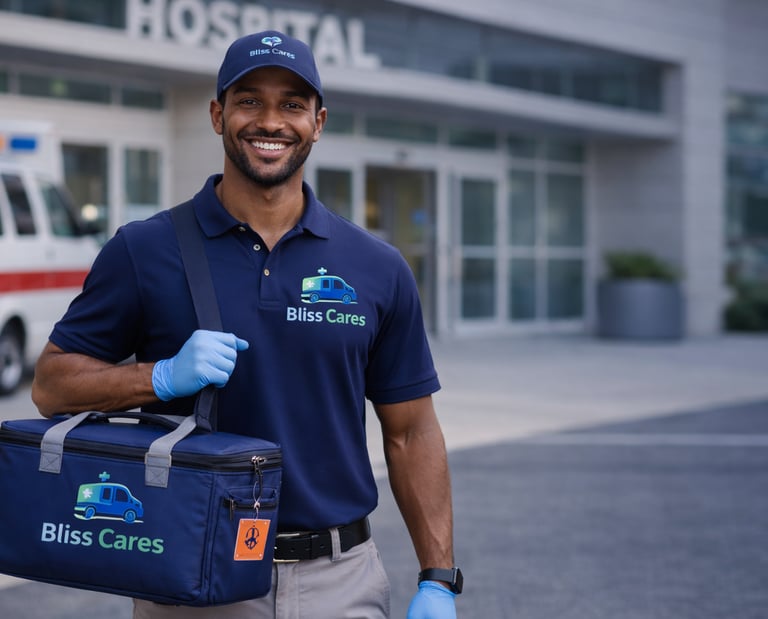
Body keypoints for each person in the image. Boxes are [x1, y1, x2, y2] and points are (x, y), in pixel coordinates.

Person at [31, 30, 462, 619]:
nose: (271, 121)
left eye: (292, 104)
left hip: (340, 580)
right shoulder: (144, 250)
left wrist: (438, 577)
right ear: (218, 115)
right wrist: (157, 376)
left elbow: (411, 432)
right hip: (193, 572)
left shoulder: (377, 267)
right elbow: (51, 385)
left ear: (318, 122)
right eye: (249, 100)